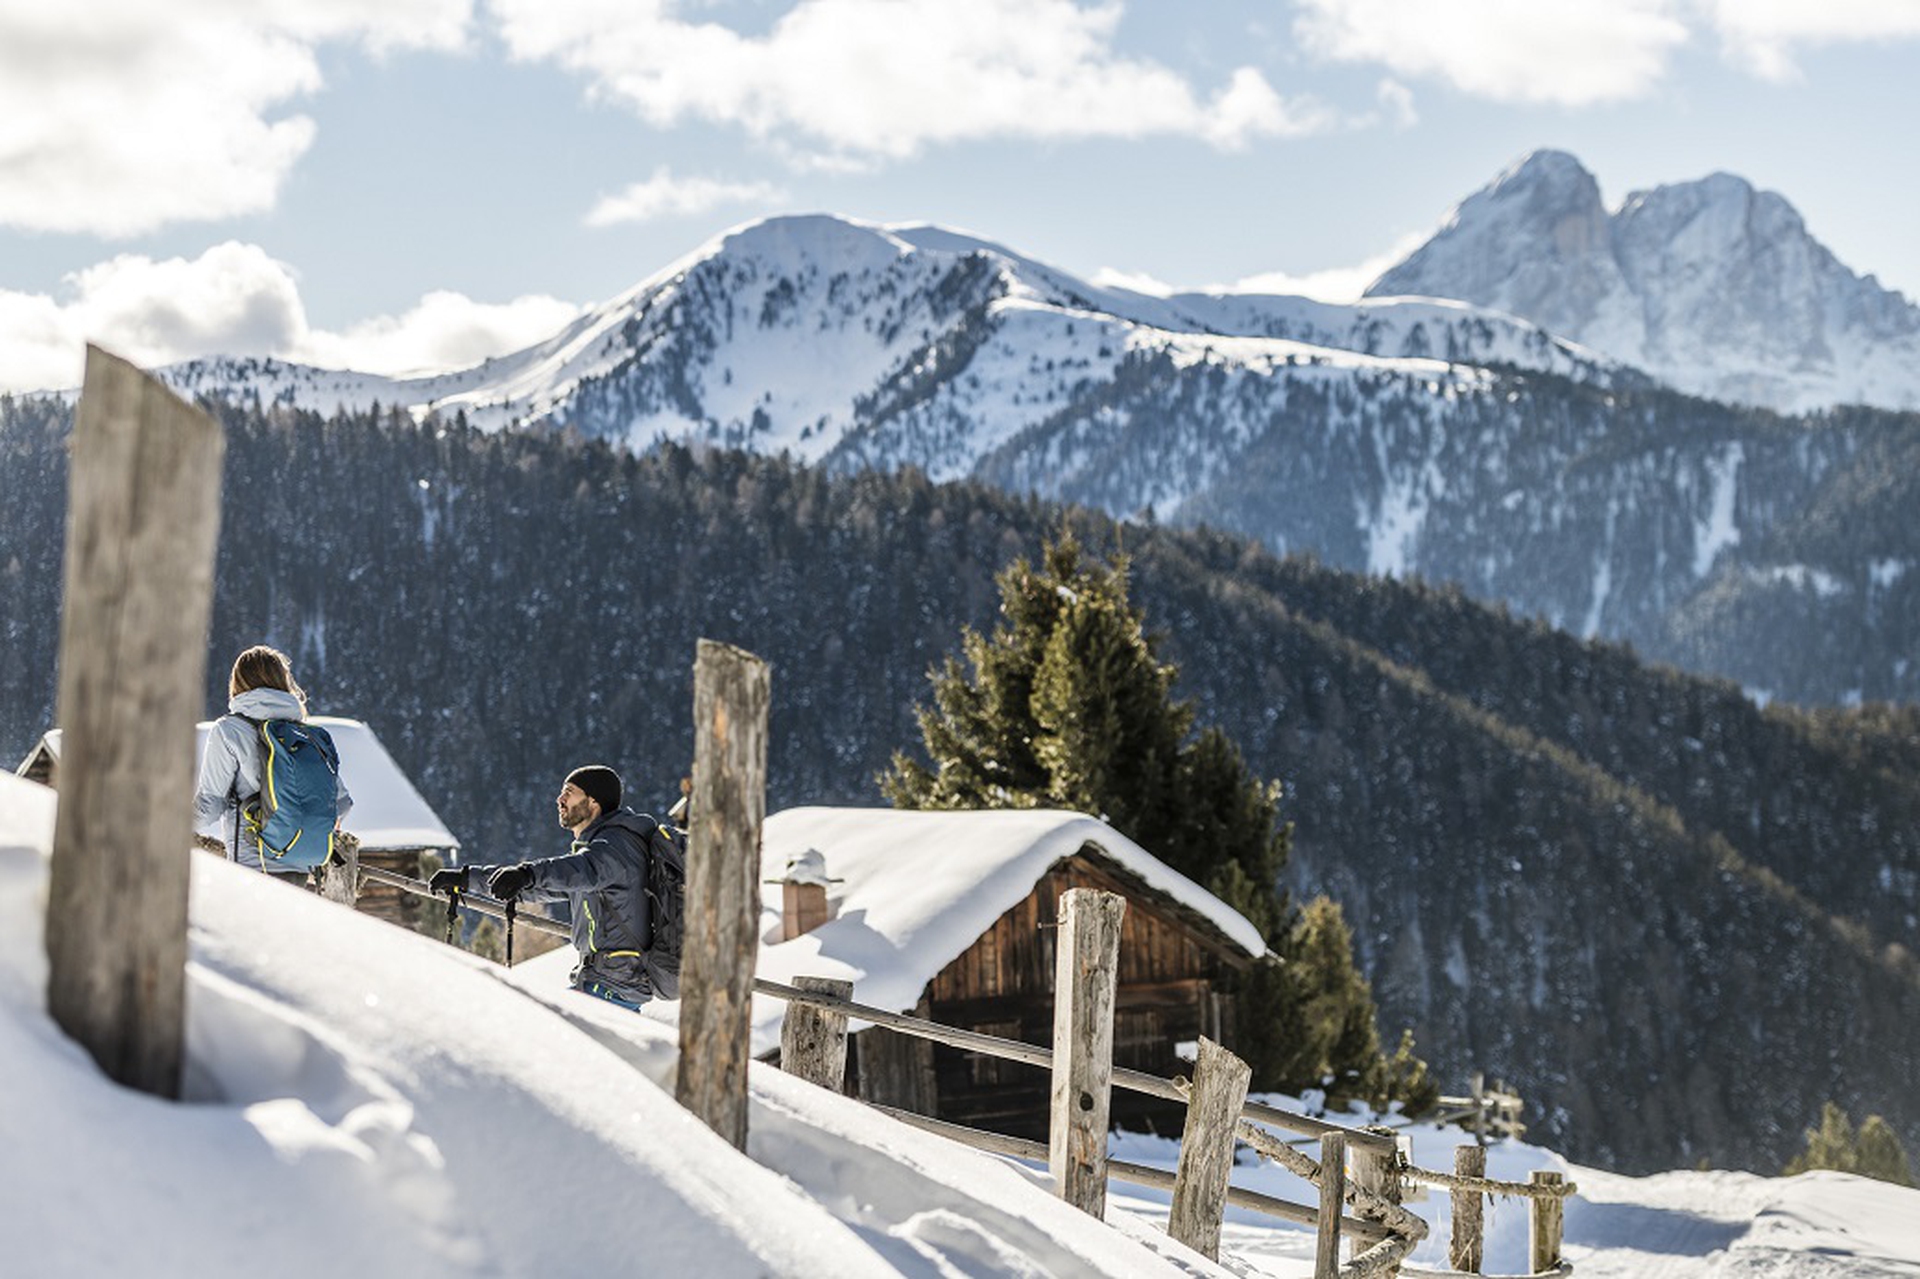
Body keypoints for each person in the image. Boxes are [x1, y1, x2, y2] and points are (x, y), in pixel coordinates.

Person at [431, 764, 656, 1010]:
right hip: (608, 984)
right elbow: (537, 886)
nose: (560, 799)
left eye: (569, 792)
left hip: (612, 987)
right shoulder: (602, 850)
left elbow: (576, 870)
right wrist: (466, 879)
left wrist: (526, 873)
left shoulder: (615, 847)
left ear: (593, 802)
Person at [193, 645, 353, 885]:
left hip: (252, 870)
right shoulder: (306, 735)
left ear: (238, 683)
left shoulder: (230, 731)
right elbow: (341, 803)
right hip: (301, 868)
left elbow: (209, 805)